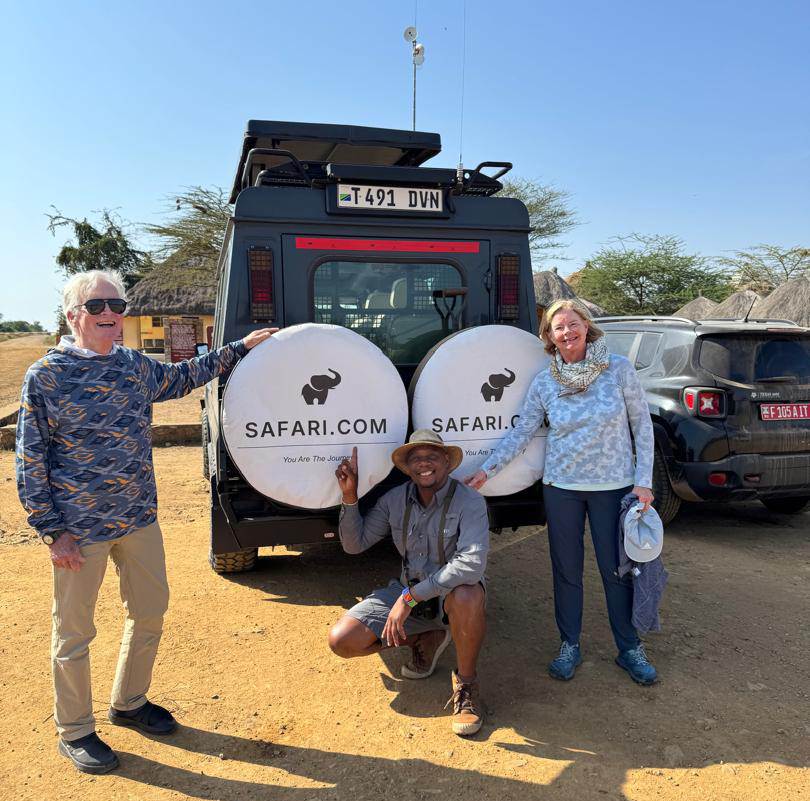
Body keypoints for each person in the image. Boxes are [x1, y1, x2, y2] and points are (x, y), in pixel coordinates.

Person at [15, 269, 277, 774]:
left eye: (117, 306)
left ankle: (129, 702)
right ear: (73, 316)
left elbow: (183, 377)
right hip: (80, 530)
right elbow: (30, 459)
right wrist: (52, 530)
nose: (110, 315)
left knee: (150, 611)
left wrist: (240, 348)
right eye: (97, 307)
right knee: (74, 633)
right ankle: (74, 730)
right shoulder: (45, 376)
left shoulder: (133, 365)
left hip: (137, 519)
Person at [465, 298, 658, 686]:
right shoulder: (546, 381)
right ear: (549, 337)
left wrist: (644, 481)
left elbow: (643, 426)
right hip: (562, 488)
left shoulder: (618, 370)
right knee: (566, 571)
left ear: (586, 326)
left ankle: (629, 647)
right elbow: (522, 432)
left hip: (613, 488)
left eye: (573, 324)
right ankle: (569, 644)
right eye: (558, 328)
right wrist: (487, 469)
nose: (567, 332)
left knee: (617, 570)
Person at [328, 430, 489, 736]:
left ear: (447, 462)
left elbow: (471, 564)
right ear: (407, 467)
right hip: (408, 590)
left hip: (447, 596)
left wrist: (411, 597)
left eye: (431, 457)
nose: (423, 464)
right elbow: (355, 544)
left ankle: (466, 688)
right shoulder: (394, 500)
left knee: (468, 595)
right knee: (342, 640)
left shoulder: (469, 501)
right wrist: (350, 497)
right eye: (415, 458)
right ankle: (424, 638)